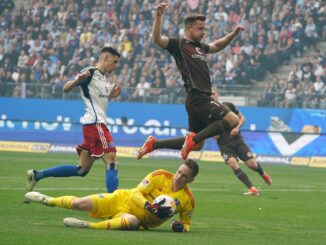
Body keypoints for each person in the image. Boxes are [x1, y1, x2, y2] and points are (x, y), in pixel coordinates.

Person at [137, 2, 244, 160]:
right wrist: (158, 16)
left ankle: (153, 145)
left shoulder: (200, 47)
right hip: (199, 97)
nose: (203, 32)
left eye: (204, 29)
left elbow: (217, 45)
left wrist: (232, 35)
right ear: (188, 28)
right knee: (233, 120)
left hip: (196, 100)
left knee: (198, 145)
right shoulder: (178, 45)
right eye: (200, 29)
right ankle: (191, 139)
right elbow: (157, 39)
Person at [26, 47, 122, 194]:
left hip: (92, 125)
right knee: (112, 161)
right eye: (114, 62)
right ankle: (115, 203)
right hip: (96, 124)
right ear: (105, 58)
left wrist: (110, 97)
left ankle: (37, 175)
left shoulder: (102, 78)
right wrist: (77, 80)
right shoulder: (90, 72)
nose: (116, 66)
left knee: (81, 170)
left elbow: (95, 100)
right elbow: (65, 88)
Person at [25, 159, 199, 232]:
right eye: (179, 172)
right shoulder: (159, 175)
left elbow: (186, 223)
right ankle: (48, 200)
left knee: (132, 222)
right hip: (122, 199)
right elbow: (137, 193)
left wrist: (182, 228)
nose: (179, 176)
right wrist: (149, 206)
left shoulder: (187, 200)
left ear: (191, 179)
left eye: (184, 176)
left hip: (136, 220)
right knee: (80, 204)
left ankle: (88, 226)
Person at [211, 89, 272, 195]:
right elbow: (211, 133)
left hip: (236, 140)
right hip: (224, 144)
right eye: (209, 95)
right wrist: (214, 134)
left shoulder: (228, 106)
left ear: (217, 95)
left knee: (252, 164)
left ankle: (262, 173)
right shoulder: (208, 114)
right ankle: (252, 188)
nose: (211, 96)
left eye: (213, 94)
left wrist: (237, 128)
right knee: (233, 163)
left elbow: (242, 118)